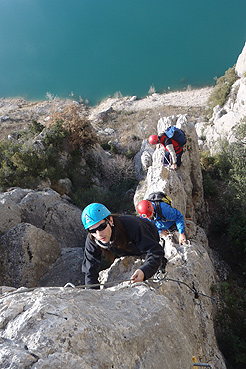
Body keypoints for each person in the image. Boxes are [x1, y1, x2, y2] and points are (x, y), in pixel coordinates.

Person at [81, 203, 165, 288]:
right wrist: (93, 294)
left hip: (147, 237)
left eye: (102, 227)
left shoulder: (133, 226)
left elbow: (155, 251)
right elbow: (89, 270)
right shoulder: (93, 239)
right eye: (93, 231)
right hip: (126, 249)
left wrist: (145, 271)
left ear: (110, 220)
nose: (99, 234)